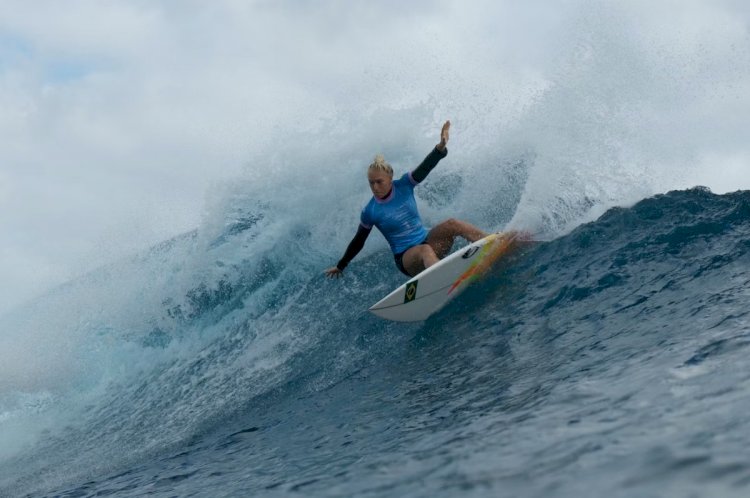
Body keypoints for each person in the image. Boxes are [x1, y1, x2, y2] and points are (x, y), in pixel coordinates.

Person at [324, 121, 488, 279]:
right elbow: (358, 241)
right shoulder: (370, 211)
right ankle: (444, 279)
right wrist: (341, 265)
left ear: (390, 178)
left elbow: (425, 167)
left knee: (453, 224)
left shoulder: (404, 185)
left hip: (428, 242)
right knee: (424, 250)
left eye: (379, 182)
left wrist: (440, 148)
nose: (375, 187)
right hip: (407, 259)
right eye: (371, 183)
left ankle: (492, 243)